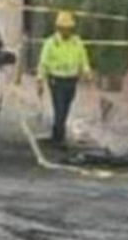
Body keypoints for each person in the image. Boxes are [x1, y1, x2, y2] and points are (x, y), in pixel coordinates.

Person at [37, 10, 92, 145]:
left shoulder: (76, 42)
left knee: (65, 108)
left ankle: (56, 134)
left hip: (71, 80)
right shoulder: (51, 43)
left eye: (69, 28)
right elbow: (43, 62)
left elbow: (83, 58)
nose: (67, 31)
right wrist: (40, 80)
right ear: (59, 28)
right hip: (56, 80)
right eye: (64, 28)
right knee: (59, 108)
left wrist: (87, 71)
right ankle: (59, 138)